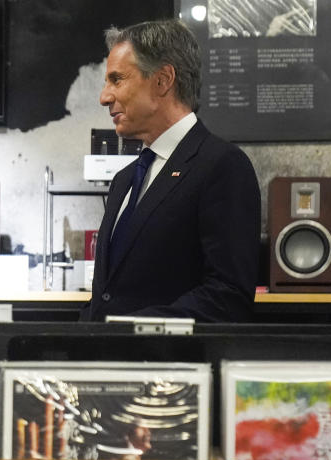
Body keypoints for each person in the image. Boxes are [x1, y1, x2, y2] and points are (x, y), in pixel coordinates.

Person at [82, 19, 260, 322]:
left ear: (163, 80)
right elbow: (107, 296)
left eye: (117, 80)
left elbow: (228, 296)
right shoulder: (124, 180)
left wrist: (129, 332)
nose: (104, 97)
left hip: (171, 365)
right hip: (108, 362)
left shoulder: (223, 166)